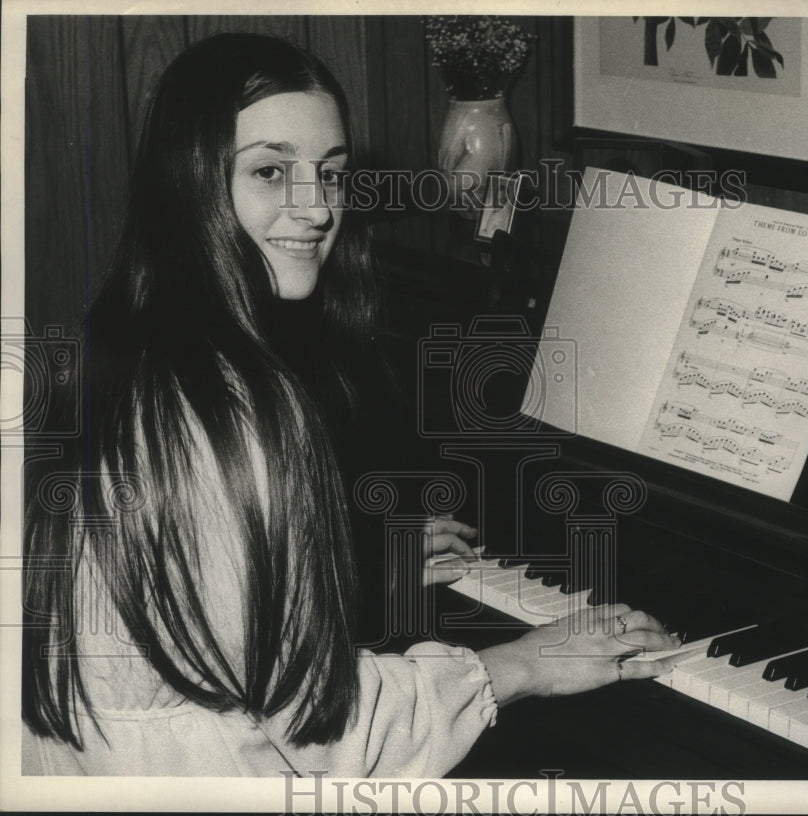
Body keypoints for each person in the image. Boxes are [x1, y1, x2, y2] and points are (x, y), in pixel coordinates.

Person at [21, 32, 681, 778]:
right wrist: (521, 665)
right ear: (191, 181)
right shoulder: (237, 407)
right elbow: (320, 730)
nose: (316, 210)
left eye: (331, 175)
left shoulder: (129, 348)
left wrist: (352, 566)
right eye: (271, 171)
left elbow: (195, 600)